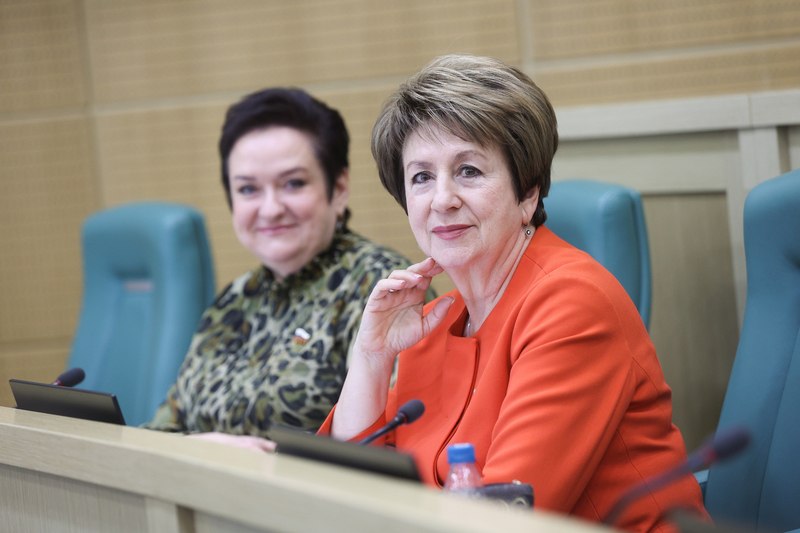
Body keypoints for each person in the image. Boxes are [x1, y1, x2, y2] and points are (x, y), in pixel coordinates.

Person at [320, 55, 708, 531]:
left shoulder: (572, 305)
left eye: (468, 171)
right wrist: (371, 356)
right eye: (421, 177)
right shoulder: (432, 320)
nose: (442, 199)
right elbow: (344, 492)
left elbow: (504, 518)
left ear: (527, 193)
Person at [146, 87, 432, 449]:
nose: (270, 209)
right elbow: (161, 433)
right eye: (248, 190)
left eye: (293, 184)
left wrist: (256, 461)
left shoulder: (382, 289)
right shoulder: (234, 299)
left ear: (338, 188)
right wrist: (203, 449)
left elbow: (393, 443)